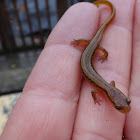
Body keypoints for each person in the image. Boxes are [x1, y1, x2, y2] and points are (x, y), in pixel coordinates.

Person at [0, 0, 139, 139]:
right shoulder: (104, 90)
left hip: (89, 58)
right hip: (88, 56)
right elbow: (97, 89)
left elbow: (102, 87)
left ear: (117, 95)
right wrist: (80, 42)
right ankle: (102, 18)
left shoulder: (106, 89)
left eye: (125, 102)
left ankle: (107, 16)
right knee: (94, 44)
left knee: (95, 43)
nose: (125, 106)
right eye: (120, 106)